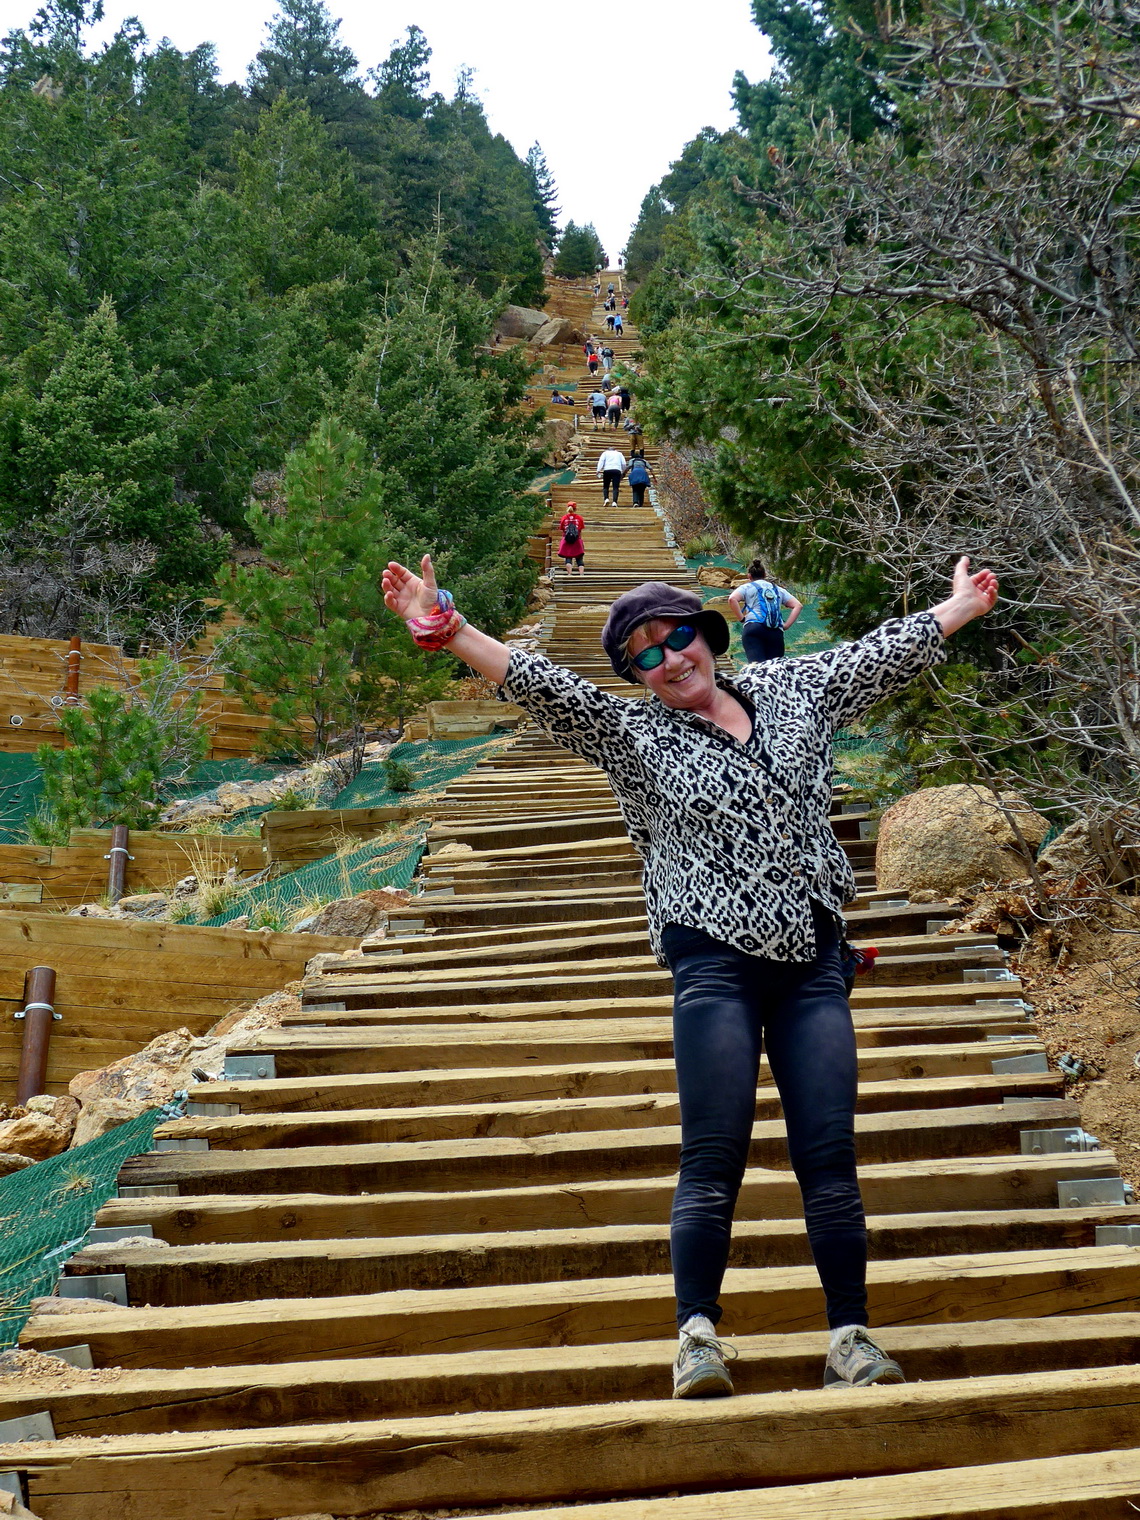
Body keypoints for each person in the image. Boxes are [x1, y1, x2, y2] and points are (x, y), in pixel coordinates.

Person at [381, 553, 999, 1398]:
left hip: (813, 962)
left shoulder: (793, 690)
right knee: (714, 1154)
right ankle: (697, 1338)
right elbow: (546, 687)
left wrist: (958, 606)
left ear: (705, 635)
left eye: (676, 637)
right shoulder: (636, 738)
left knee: (830, 1155)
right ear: (634, 674)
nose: (669, 660)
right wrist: (450, 630)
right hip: (714, 963)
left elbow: (880, 653)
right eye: (643, 655)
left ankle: (850, 1338)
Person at [728, 559, 804, 663]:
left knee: (757, 668)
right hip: (775, 631)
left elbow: (732, 599)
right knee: (775, 669)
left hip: (753, 628)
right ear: (765, 574)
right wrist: (785, 625)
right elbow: (798, 605)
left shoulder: (746, 587)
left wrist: (741, 618)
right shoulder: (777, 589)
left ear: (749, 576)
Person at [556, 503, 586, 576]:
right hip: (577, 539)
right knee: (579, 558)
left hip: (566, 540)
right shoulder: (579, 518)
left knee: (568, 557)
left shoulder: (564, 518)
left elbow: (562, 529)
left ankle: (569, 573)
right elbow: (580, 529)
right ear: (575, 509)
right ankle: (581, 574)